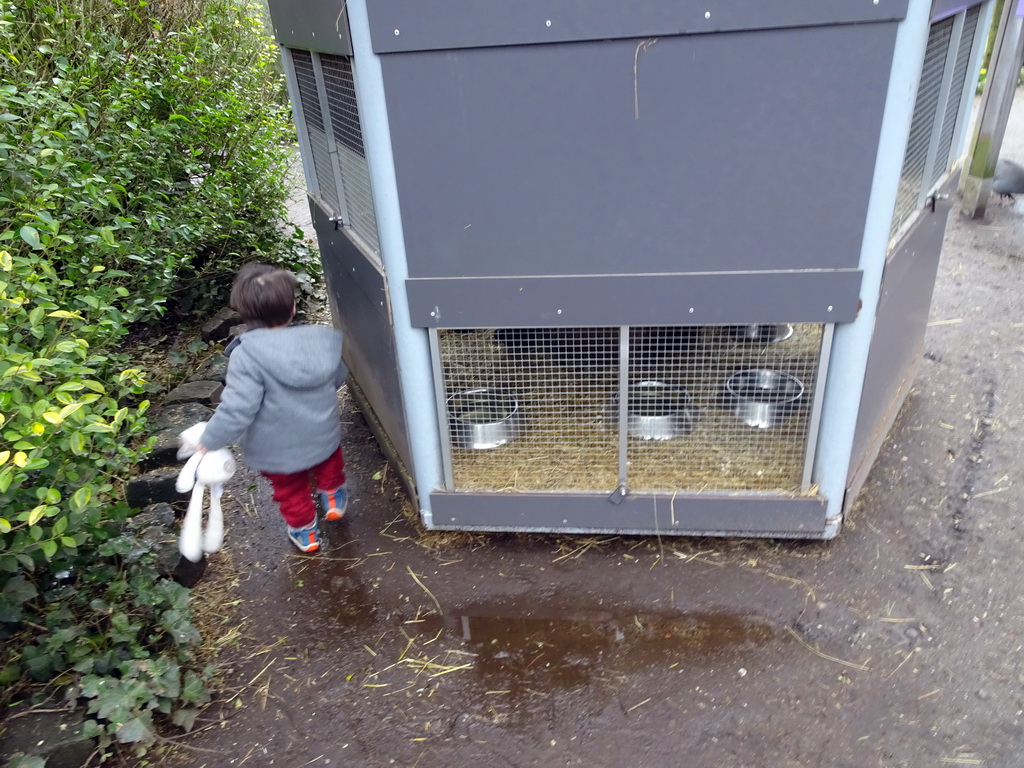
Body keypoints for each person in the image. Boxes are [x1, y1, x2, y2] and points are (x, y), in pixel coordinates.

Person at [193, 263, 349, 553]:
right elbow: (338, 376)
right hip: (321, 432)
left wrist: (210, 439)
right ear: (291, 308)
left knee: (290, 490)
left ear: (246, 316)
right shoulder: (317, 343)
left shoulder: (247, 356)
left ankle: (306, 533)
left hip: (277, 447)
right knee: (329, 463)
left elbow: (238, 408)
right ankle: (333, 498)